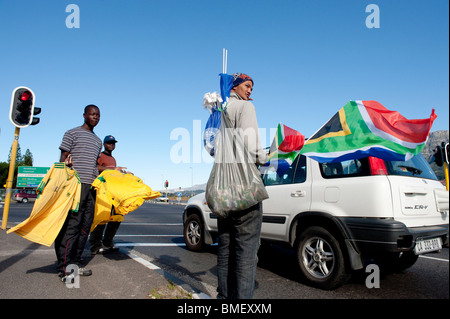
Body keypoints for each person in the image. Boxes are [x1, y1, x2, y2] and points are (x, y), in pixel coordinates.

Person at [216, 73, 268, 299]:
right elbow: (252, 146)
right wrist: (265, 157)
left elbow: (212, 148)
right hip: (244, 188)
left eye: (251, 89)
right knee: (246, 252)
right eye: (247, 86)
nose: (250, 92)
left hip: (223, 188)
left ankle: (223, 298)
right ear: (235, 86)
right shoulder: (245, 109)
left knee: (226, 247)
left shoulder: (218, 111)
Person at [55, 104, 102, 281]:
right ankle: (65, 268)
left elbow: (93, 164)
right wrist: (66, 165)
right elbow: (62, 159)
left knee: (85, 227)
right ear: (84, 115)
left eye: (98, 115)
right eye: (92, 114)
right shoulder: (71, 133)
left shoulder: (97, 141)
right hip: (75, 185)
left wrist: (113, 169)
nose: (95, 117)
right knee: (72, 226)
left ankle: (75, 263)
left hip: (91, 187)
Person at [89, 135, 127, 254]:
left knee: (116, 217)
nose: (111, 145)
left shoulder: (113, 159)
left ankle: (107, 241)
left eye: (113, 143)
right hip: (100, 191)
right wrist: (112, 170)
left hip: (111, 191)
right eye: (109, 143)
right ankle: (95, 245)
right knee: (102, 217)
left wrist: (122, 173)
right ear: (104, 144)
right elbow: (95, 167)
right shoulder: (100, 155)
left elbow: (112, 173)